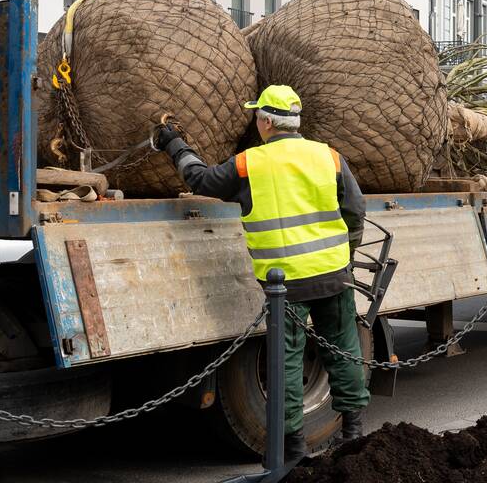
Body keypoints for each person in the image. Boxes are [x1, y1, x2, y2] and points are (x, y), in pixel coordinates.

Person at [157, 85, 369, 466]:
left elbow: (200, 181)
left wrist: (173, 143)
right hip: (333, 274)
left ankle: (294, 450)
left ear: (267, 122)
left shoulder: (249, 164)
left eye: (258, 116)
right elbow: (354, 208)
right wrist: (346, 252)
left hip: (284, 284)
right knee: (345, 350)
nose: (256, 122)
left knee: (287, 360)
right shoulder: (330, 157)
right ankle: (354, 433)